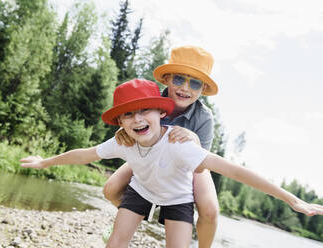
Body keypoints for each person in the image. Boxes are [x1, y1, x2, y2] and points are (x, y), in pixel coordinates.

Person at [20, 79, 323, 248]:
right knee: (117, 240)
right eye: (128, 115)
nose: (138, 119)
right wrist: (44, 162)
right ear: (120, 122)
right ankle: (140, 217)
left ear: (162, 113)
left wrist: (291, 198)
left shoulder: (181, 146)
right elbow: (83, 154)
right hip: (140, 190)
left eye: (145, 111)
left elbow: (235, 171)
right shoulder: (123, 141)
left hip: (178, 198)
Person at [103, 45, 220, 247]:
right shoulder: (149, 98)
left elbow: (200, 166)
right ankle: (132, 217)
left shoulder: (204, 118)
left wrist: (194, 139)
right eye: (178, 79)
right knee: (111, 189)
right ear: (167, 79)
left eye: (194, 83)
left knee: (210, 210)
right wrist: (125, 130)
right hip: (149, 155)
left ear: (202, 89)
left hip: (188, 168)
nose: (185, 88)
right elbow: (131, 116)